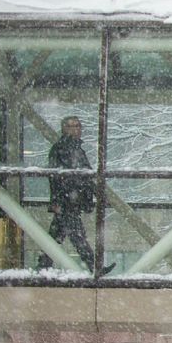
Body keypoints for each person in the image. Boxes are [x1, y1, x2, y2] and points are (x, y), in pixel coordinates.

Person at [37, 116, 111, 275]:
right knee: (76, 235)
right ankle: (94, 267)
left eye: (78, 126)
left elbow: (84, 175)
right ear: (64, 129)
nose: (76, 129)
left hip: (71, 199)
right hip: (68, 199)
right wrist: (57, 200)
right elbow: (56, 177)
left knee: (59, 233)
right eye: (72, 126)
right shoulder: (63, 149)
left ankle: (44, 264)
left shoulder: (74, 148)